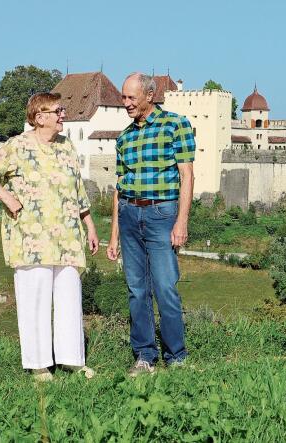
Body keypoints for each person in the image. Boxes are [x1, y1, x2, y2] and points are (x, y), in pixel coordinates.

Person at [0, 92, 99, 381]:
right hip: (31, 237)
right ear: (39, 117)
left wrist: (89, 225)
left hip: (67, 236)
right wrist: (7, 199)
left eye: (63, 109)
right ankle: (39, 364)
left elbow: (77, 190)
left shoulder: (67, 147)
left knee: (69, 296)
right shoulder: (17, 146)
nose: (63, 114)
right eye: (58, 111)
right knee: (35, 298)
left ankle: (71, 360)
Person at [107, 73, 195, 376]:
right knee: (136, 290)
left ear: (149, 95)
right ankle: (145, 356)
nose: (126, 103)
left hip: (161, 214)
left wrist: (181, 221)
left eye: (131, 98)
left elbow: (187, 176)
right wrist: (113, 236)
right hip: (129, 214)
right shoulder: (125, 137)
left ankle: (177, 356)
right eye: (123, 97)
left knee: (165, 287)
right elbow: (119, 187)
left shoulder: (175, 125)